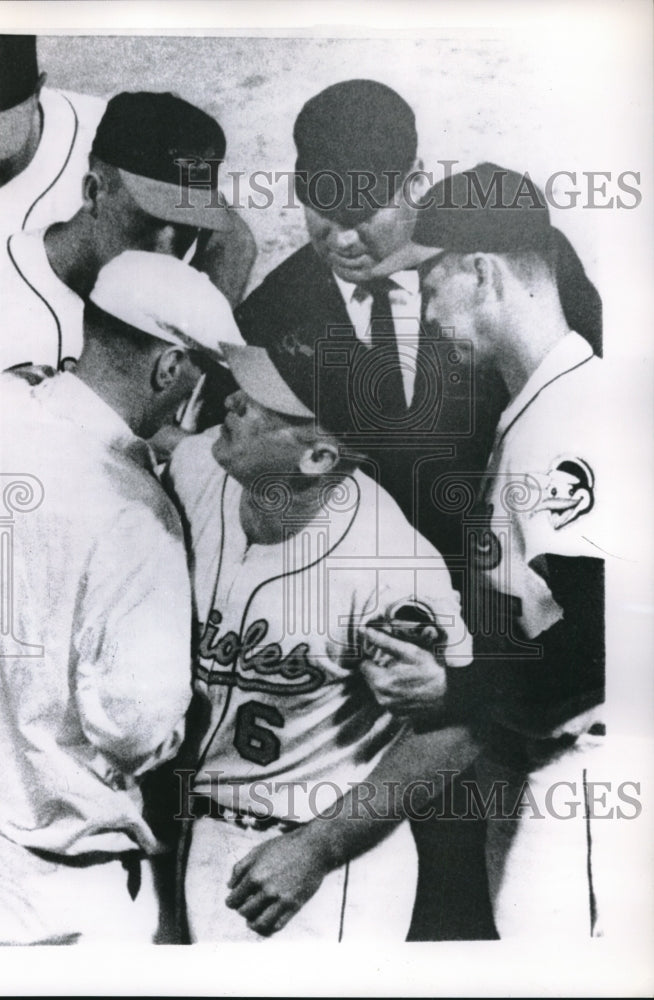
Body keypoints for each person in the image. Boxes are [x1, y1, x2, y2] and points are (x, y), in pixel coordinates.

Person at [230, 163, 610, 941]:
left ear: (482, 272)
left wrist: (453, 687)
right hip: (539, 779)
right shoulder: (551, 404)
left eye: (432, 284)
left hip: (577, 792)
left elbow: (600, 651)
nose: (426, 311)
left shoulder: (570, 421)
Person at [164, 321, 474, 942]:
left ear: (318, 458)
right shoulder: (201, 467)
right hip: (202, 835)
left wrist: (319, 849)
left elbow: (456, 733)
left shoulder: (390, 564)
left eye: (259, 404)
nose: (232, 401)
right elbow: (158, 440)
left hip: (317, 864)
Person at [234, 79, 603, 562]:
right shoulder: (271, 313)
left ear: (415, 181)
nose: (343, 240)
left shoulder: (510, 253)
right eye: (323, 213)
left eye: (363, 213)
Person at [0, 250, 244, 945]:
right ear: (170, 370)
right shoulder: (138, 516)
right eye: (202, 379)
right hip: (68, 896)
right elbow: (134, 729)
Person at [0, 35, 256, 305]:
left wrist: (201, 334)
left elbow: (233, 238)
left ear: (37, 90)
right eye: (150, 223)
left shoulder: (121, 131)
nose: (166, 255)